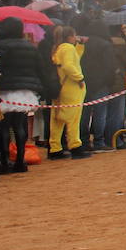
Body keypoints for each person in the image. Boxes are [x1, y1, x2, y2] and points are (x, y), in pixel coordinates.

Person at [0, 18, 42, 174]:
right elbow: (38, 67)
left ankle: (5, 161)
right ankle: (21, 161)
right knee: (20, 125)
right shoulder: (30, 46)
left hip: (5, 89)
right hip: (25, 90)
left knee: (4, 126)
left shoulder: (0, 46)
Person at [77, 17, 125, 151]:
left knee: (85, 113)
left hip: (85, 82)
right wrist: (109, 81)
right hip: (101, 83)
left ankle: (84, 141)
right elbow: (110, 66)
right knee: (100, 114)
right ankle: (99, 142)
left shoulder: (84, 43)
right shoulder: (106, 45)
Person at [48, 25, 88, 160]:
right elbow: (69, 65)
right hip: (71, 88)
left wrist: (80, 45)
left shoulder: (60, 48)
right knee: (73, 118)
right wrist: (79, 78)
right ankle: (75, 145)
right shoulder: (68, 48)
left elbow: (73, 59)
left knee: (57, 119)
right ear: (70, 36)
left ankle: (55, 148)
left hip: (61, 87)